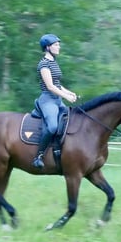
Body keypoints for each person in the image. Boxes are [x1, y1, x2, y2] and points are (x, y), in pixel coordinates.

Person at [32, 33, 78, 168]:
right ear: (47, 47)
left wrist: (69, 92)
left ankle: (59, 150)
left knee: (71, 120)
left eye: (59, 45)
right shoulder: (44, 64)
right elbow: (50, 86)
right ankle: (38, 156)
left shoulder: (53, 62)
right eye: (56, 45)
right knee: (52, 127)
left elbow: (57, 83)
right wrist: (66, 97)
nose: (59, 47)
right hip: (48, 100)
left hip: (57, 99)